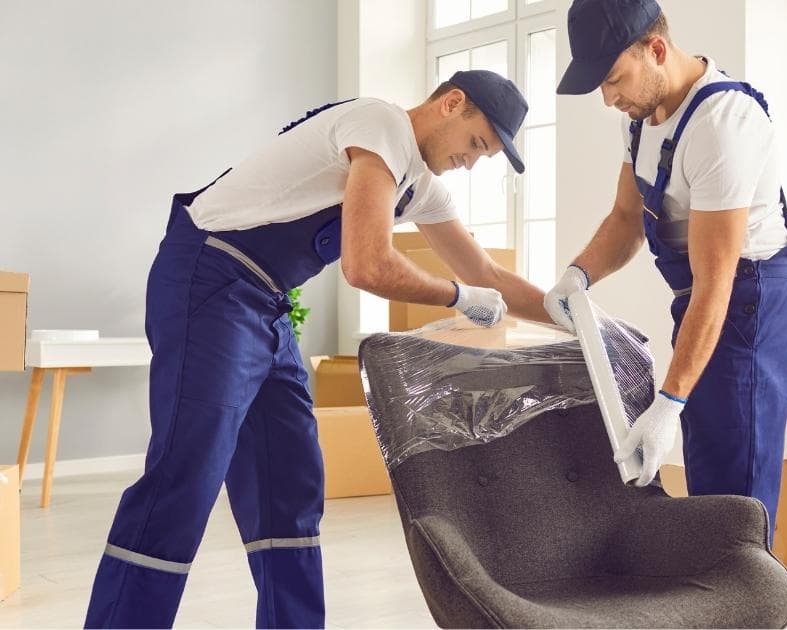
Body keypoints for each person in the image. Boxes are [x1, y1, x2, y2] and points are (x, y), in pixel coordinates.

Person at [85, 70, 547, 628]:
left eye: (485, 156)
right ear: (452, 104)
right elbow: (367, 263)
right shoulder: (380, 124)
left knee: (290, 483)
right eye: (476, 144)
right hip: (210, 279)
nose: (471, 162)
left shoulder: (419, 184)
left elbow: (488, 273)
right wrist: (457, 297)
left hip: (265, 301)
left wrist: (578, 315)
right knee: (186, 474)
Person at [545, 0, 787, 544]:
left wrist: (666, 404)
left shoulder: (723, 123)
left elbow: (718, 282)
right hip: (702, 296)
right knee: (708, 461)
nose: (608, 97)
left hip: (749, 299)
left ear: (656, 50)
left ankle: (750, 606)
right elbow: (625, 219)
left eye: (614, 79)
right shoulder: (642, 119)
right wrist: (579, 274)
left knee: (739, 481)